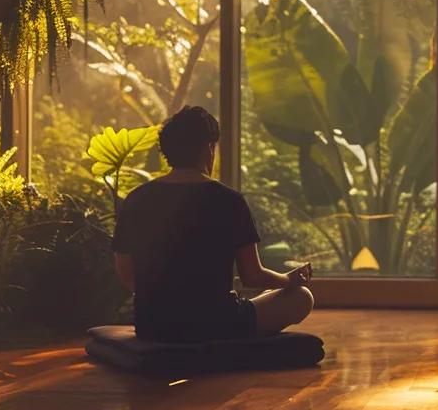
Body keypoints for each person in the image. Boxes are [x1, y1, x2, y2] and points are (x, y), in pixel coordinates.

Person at [112, 106, 314, 342]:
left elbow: (125, 271)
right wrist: (289, 280)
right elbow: (252, 276)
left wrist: (164, 301)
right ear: (208, 149)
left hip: (153, 325)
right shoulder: (228, 200)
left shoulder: (137, 198)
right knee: (301, 297)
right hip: (217, 324)